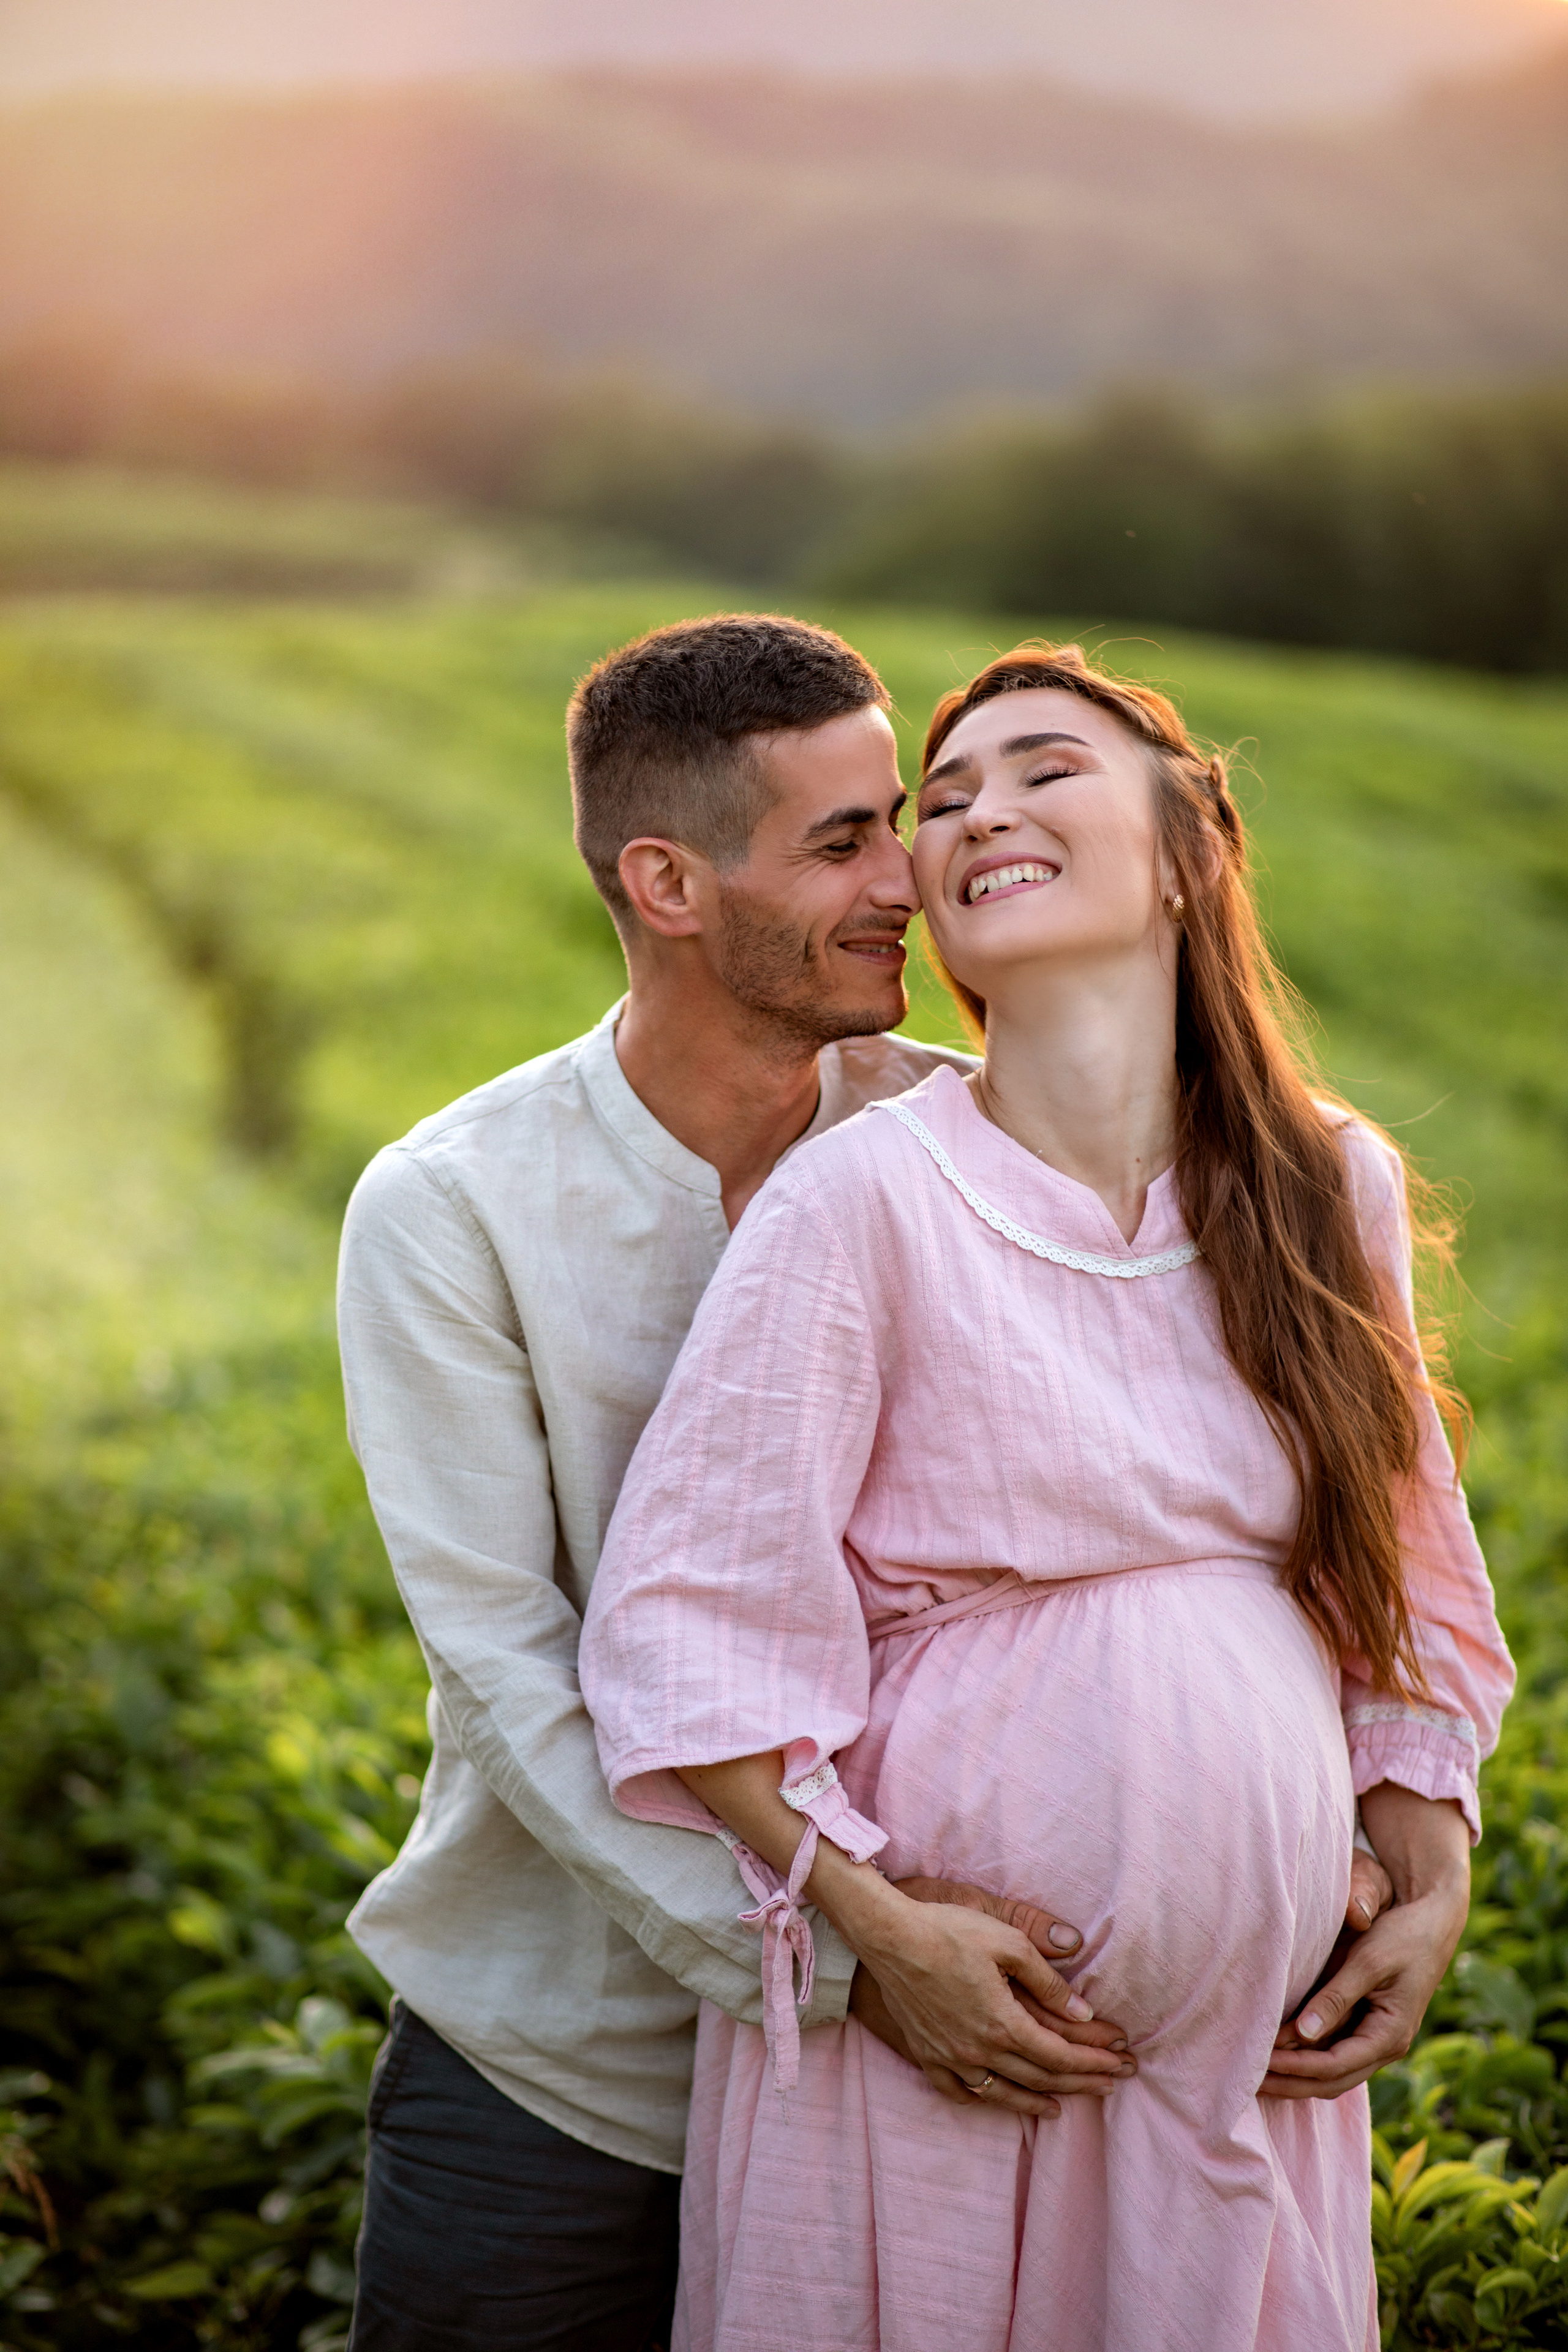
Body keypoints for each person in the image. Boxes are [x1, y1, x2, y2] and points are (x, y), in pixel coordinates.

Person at [579, 641, 1515, 2352]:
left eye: (1042, 771)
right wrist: (882, 1933)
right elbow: (688, 1630)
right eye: (945, 802)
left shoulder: (1330, 1188)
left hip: (1251, 2063)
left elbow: (1410, 1578)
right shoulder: (862, 1200)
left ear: (1184, 853)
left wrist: (1434, 1871)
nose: (977, 813)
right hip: (943, 2052)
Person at [338, 616, 1175, 2352]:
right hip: (571, 2074)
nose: (909, 881)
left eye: (903, 819)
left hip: (919, 2080)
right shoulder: (452, 1208)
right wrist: (856, 1955)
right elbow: (510, 1666)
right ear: (668, 882)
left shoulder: (962, 1138)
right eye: (844, 840)